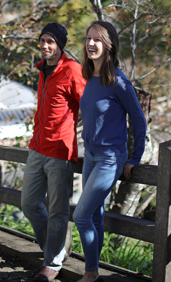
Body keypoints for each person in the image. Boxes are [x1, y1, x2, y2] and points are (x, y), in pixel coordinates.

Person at [73, 21, 147, 282]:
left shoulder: (118, 81)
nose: (91, 43)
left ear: (109, 46)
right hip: (90, 155)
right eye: (88, 38)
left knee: (81, 216)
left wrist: (134, 157)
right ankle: (95, 269)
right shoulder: (88, 76)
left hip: (110, 158)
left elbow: (139, 120)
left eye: (98, 40)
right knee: (95, 214)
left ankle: (90, 273)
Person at [21, 22, 86, 282]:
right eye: (43, 41)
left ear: (60, 45)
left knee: (58, 211)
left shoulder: (72, 70)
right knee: (28, 203)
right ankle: (54, 250)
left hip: (60, 151)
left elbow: (89, 106)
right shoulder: (42, 70)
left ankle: (52, 263)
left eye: (51, 41)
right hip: (37, 149)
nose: (45, 46)